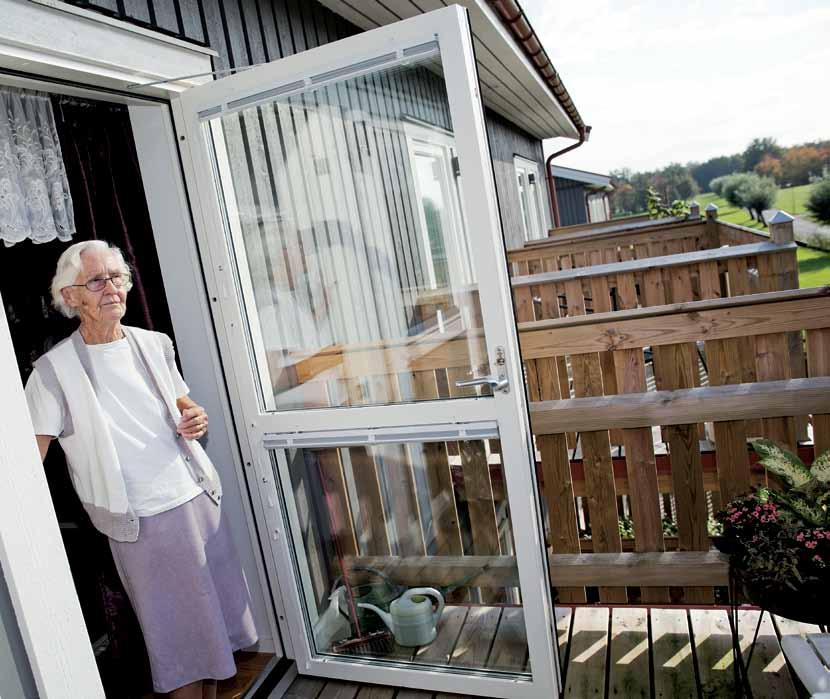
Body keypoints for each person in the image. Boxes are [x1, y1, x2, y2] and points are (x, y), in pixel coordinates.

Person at [24, 240, 257, 699]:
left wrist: (195, 416)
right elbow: (30, 461)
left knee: (211, 640)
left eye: (118, 277)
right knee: (178, 645)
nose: (112, 288)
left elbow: (182, 403)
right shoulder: (51, 373)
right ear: (70, 297)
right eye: (97, 280)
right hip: (141, 522)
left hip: (195, 500)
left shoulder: (154, 343)